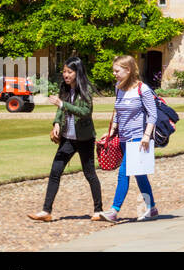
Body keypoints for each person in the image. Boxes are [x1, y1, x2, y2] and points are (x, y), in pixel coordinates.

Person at [28, 56, 105, 222]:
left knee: (90, 174)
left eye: (69, 72)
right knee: (55, 172)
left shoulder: (85, 91)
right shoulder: (64, 88)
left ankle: (99, 210)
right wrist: (56, 123)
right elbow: (60, 111)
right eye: (64, 71)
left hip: (84, 139)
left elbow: (85, 112)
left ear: (77, 72)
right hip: (68, 139)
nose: (66, 75)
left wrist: (62, 105)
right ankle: (46, 211)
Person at [101, 55, 158, 222]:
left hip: (138, 138)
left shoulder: (142, 89)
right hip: (124, 138)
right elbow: (118, 112)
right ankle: (151, 207)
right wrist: (112, 131)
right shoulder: (118, 88)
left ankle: (114, 210)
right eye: (114, 70)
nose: (114, 73)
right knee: (140, 175)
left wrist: (146, 136)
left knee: (123, 173)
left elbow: (152, 115)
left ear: (128, 70)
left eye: (117, 70)